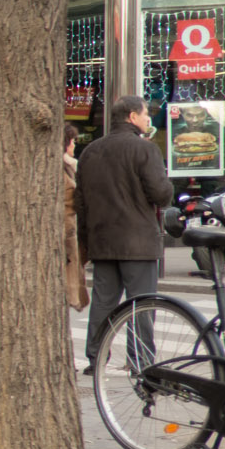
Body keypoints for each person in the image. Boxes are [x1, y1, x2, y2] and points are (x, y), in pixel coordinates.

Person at [77, 95, 172, 375]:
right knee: (141, 304)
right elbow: (161, 194)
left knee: (103, 302)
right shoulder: (145, 150)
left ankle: (96, 359)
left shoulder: (91, 152)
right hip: (138, 241)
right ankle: (140, 360)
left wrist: (85, 240)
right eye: (145, 114)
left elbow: (81, 201)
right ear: (132, 117)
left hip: (102, 240)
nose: (149, 120)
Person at [62, 124, 89, 313]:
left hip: (70, 235)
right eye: (72, 142)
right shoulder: (64, 169)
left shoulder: (68, 166)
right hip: (66, 236)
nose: (74, 147)